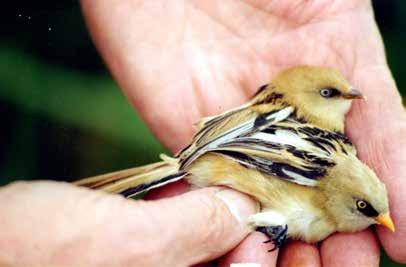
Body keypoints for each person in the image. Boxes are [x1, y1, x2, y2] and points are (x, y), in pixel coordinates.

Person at [1, 1, 405, 266]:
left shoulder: (325, 144)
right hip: (219, 157)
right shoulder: (309, 146)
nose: (350, 98)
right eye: (331, 94)